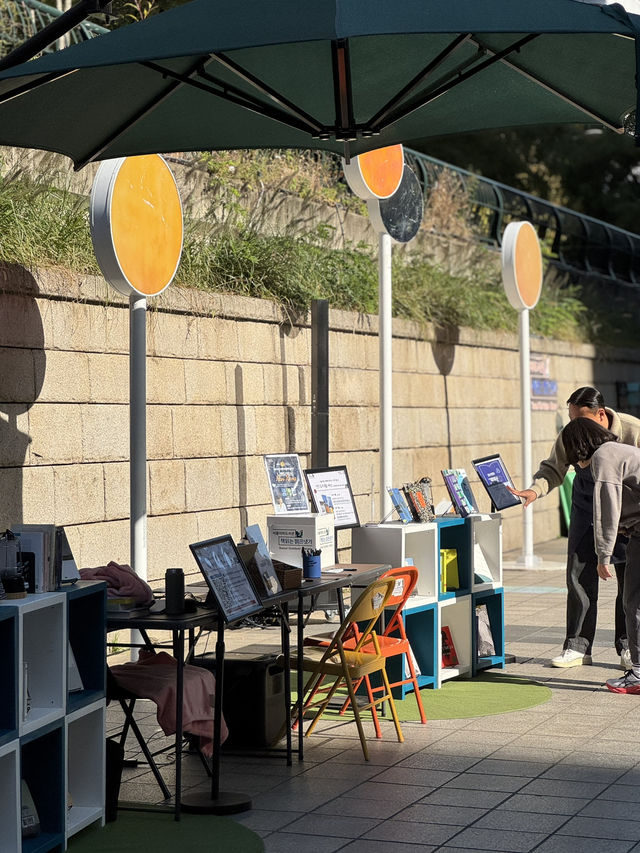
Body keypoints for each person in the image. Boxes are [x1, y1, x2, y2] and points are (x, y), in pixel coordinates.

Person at [508, 386, 640, 669]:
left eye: (578, 418)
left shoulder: (633, 430)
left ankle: (628, 645)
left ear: (601, 415)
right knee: (578, 573)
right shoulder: (574, 432)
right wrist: (534, 491)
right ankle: (578, 645)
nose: (573, 425)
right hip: (585, 503)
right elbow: (552, 469)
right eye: (570, 419)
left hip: (627, 509)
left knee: (629, 580)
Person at [561, 417, 640, 694]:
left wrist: (603, 556)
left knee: (633, 602)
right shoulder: (618, 452)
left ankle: (638, 675)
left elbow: (607, 509)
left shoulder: (603, 458)